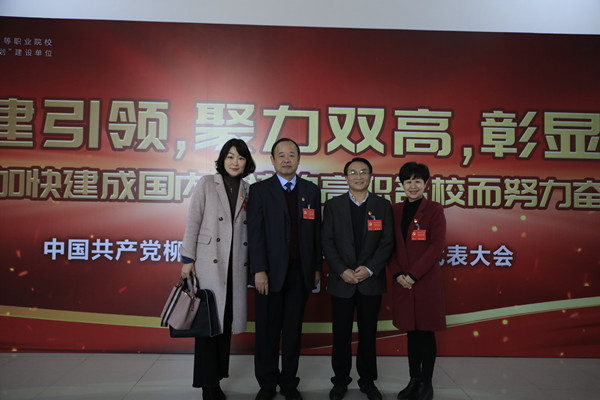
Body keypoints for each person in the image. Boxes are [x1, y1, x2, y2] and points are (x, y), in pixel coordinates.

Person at [179, 138, 256, 400]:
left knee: (224, 326)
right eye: (230, 156)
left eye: (241, 158)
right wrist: (187, 259)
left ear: (247, 163)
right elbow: (193, 221)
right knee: (208, 327)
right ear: (222, 159)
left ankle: (217, 379)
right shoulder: (207, 183)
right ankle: (207, 385)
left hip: (236, 267)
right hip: (209, 263)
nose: (235, 162)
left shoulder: (248, 189)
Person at [247, 137, 322, 400]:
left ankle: (289, 382)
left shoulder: (311, 191)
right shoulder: (260, 190)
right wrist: (259, 269)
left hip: (300, 273)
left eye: (292, 155)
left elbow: (316, 233)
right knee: (267, 331)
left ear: (299, 159)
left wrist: (315, 268)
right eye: (281, 155)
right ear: (273, 160)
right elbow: (254, 233)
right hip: (268, 274)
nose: (287, 159)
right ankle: (267, 384)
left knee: (293, 331)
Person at [321, 157, 394, 400]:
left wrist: (370, 269)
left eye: (363, 172)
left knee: (368, 334)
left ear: (370, 176)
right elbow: (327, 241)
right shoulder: (333, 205)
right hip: (341, 281)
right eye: (353, 172)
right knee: (340, 334)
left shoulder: (382, 205)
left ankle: (367, 381)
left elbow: (387, 242)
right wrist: (342, 270)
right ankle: (340, 380)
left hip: (370, 281)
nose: (358, 176)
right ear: (346, 177)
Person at [388, 162, 447, 400]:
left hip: (424, 282)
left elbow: (436, 246)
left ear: (426, 184)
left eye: (418, 181)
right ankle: (413, 380)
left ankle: (426, 383)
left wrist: (413, 275)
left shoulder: (434, 209)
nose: (413, 186)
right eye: (408, 181)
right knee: (411, 333)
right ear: (402, 184)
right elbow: (389, 245)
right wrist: (396, 274)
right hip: (402, 282)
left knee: (426, 334)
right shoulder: (395, 210)